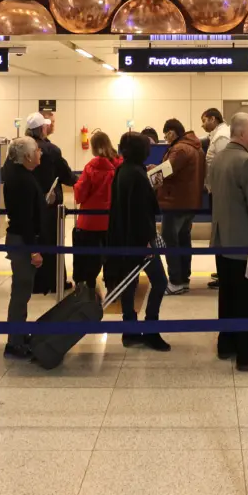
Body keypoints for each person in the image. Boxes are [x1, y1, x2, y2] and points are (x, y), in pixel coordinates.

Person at [209, 112, 248, 371]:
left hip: (223, 240)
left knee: (228, 295)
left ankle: (227, 343)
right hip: (245, 244)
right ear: (240, 133)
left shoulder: (220, 158)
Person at [107, 131, 171, 352]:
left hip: (124, 239)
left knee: (130, 283)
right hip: (140, 240)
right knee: (160, 281)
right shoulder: (136, 175)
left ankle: (130, 328)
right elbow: (142, 211)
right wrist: (146, 242)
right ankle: (151, 328)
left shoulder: (122, 171)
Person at [2, 136, 45, 359]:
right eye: (37, 150)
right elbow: (25, 220)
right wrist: (34, 251)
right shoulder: (23, 181)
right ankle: (14, 342)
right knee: (21, 290)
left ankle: (18, 333)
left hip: (20, 238)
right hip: (22, 241)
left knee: (23, 290)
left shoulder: (20, 176)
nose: (41, 153)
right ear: (28, 156)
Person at [26, 110, 76, 294]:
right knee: (52, 241)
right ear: (43, 128)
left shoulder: (20, 147)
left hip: (27, 204)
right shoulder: (51, 150)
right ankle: (55, 281)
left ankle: (34, 282)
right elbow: (67, 176)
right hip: (50, 205)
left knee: (32, 240)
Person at [158, 118, 204, 294]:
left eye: (166, 134)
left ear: (172, 132)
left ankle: (175, 281)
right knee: (184, 240)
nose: (166, 138)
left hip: (174, 202)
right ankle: (184, 278)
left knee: (171, 241)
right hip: (190, 202)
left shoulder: (180, 149)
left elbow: (166, 172)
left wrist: (150, 173)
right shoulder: (196, 148)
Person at [72, 130, 120, 289]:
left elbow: (80, 194)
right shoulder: (119, 164)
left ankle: (89, 289)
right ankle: (113, 288)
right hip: (113, 220)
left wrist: (76, 186)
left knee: (89, 260)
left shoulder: (91, 167)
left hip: (90, 221)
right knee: (112, 258)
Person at [201, 107, 230, 190]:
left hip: (220, 186)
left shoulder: (221, 136)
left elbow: (224, 165)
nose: (202, 125)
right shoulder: (218, 133)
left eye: (204, 121)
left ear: (212, 119)